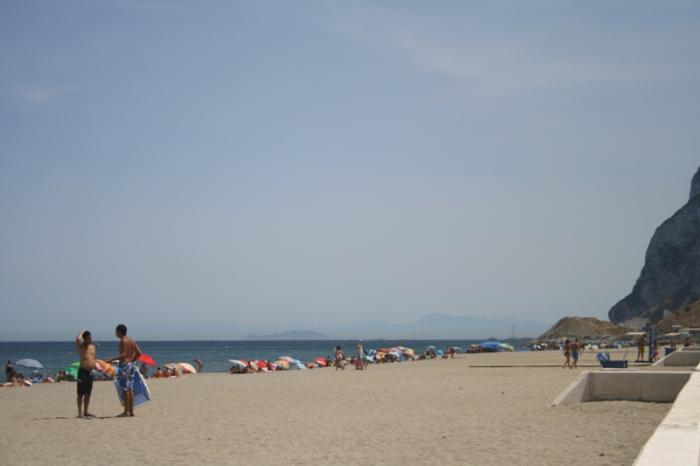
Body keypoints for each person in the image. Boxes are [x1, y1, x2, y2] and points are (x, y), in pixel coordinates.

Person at [108, 324, 142, 417]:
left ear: (120, 332)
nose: (115, 333)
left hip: (124, 366)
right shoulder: (131, 340)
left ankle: (126, 411)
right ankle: (131, 411)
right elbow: (139, 353)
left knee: (125, 389)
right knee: (130, 389)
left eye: (116, 331)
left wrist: (111, 359)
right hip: (131, 366)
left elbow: (124, 354)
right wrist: (132, 360)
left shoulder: (123, 340)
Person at [76, 330, 96, 418]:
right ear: (85, 339)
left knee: (88, 393)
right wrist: (83, 331)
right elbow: (78, 339)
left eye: (91, 337)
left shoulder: (93, 347)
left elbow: (93, 358)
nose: (91, 339)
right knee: (81, 393)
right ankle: (79, 413)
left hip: (90, 372)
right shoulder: (82, 346)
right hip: (82, 371)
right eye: (89, 338)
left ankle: (86, 411)